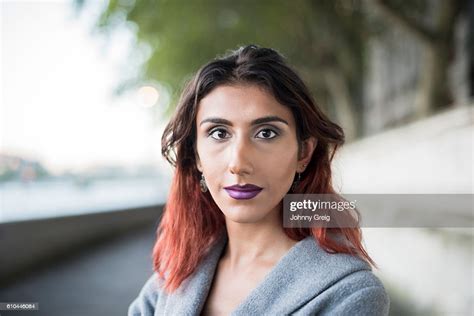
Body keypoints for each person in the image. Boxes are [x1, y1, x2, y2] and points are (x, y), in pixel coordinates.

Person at [128, 45, 390, 316]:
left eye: (266, 133)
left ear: (304, 153)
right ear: (196, 155)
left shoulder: (349, 294)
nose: (239, 163)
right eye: (219, 133)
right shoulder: (171, 279)